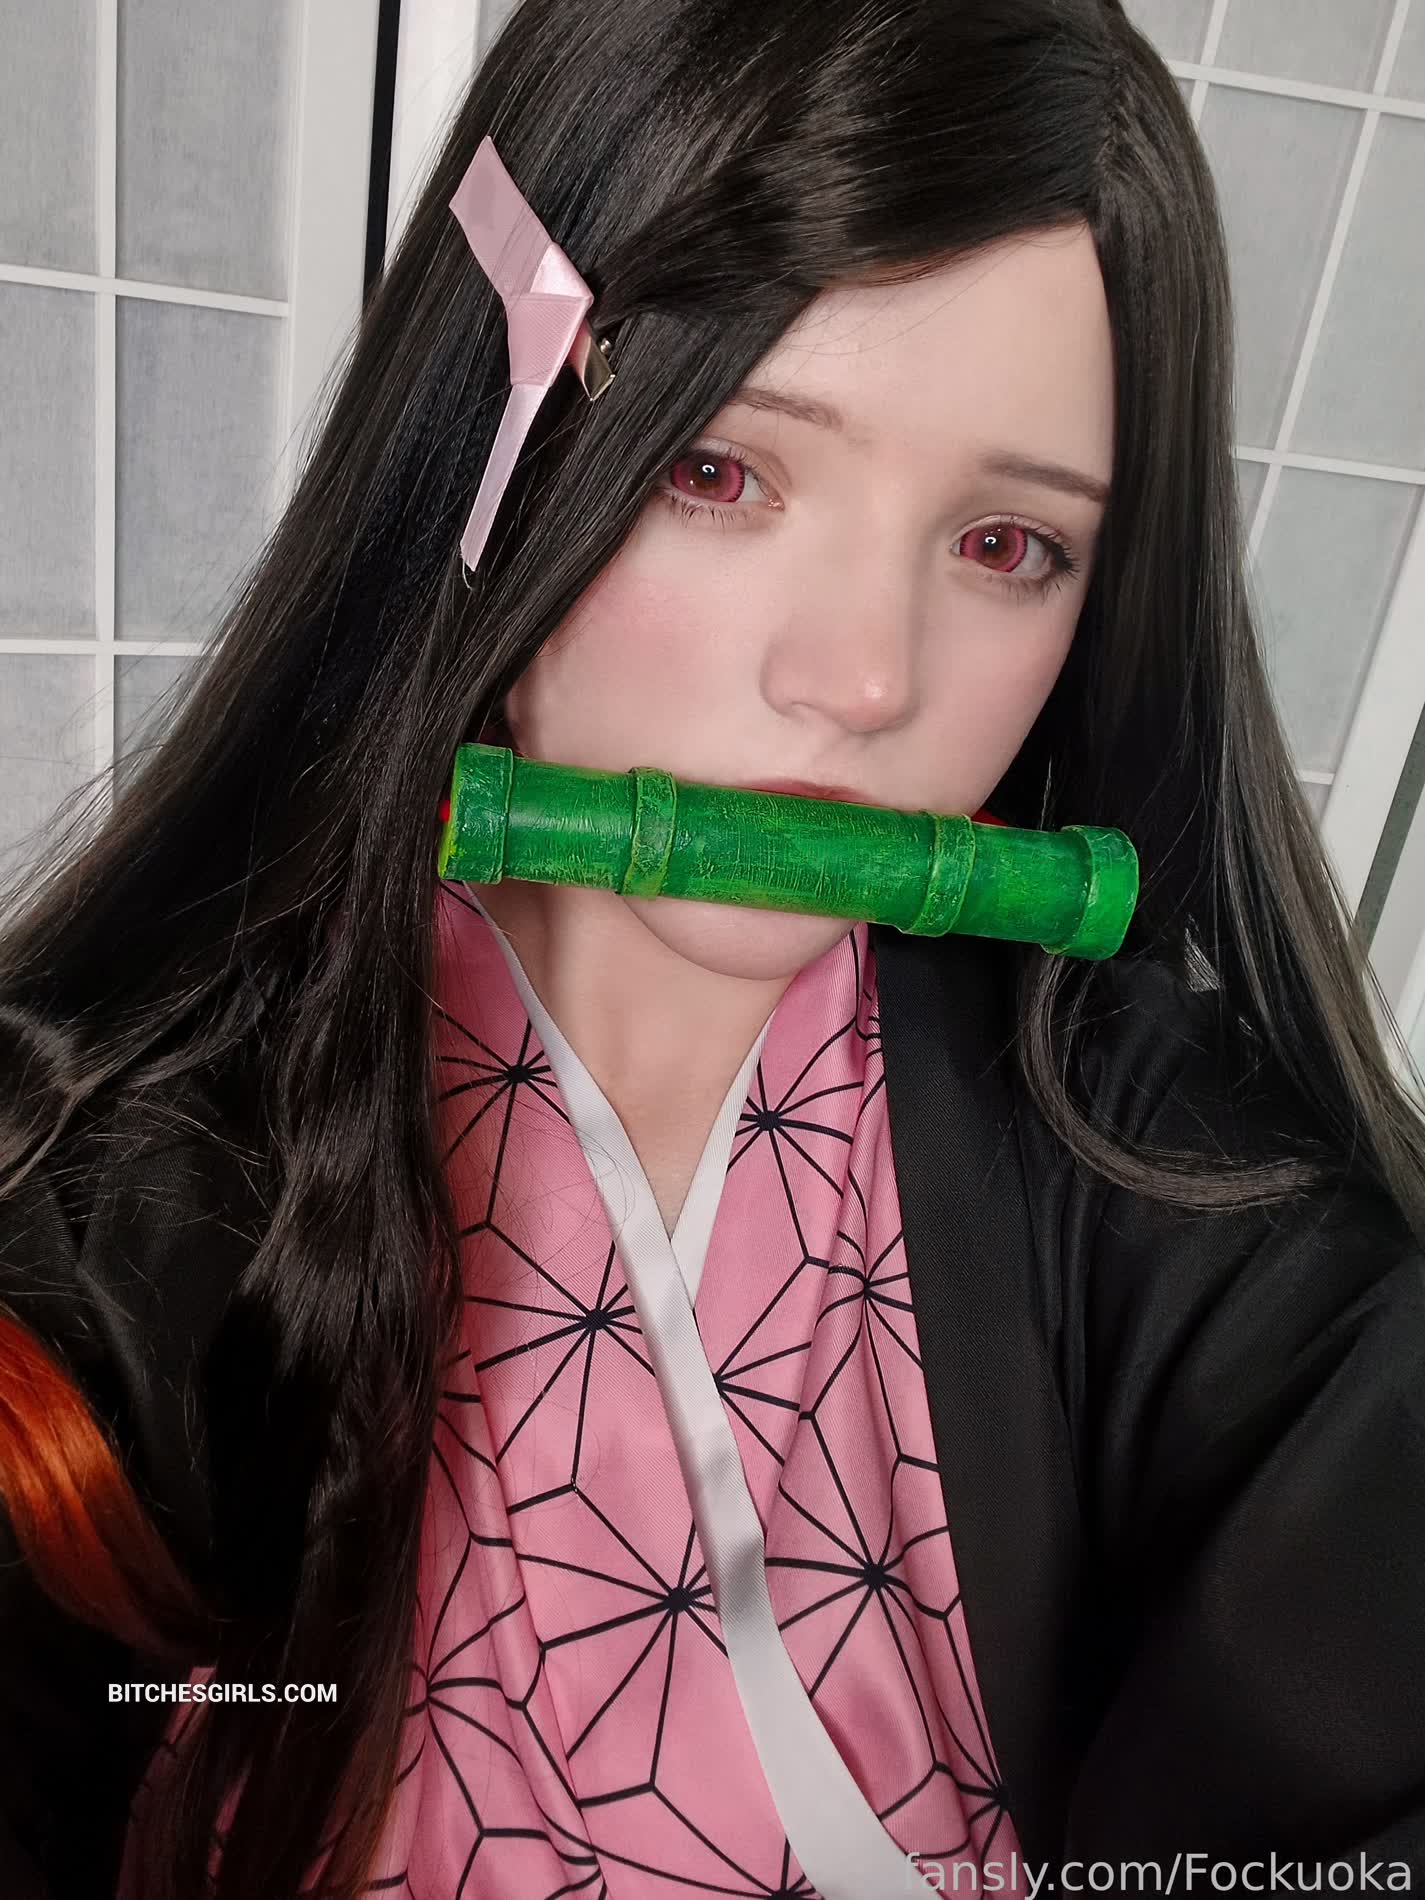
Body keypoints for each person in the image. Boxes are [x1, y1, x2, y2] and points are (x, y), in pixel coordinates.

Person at [1, 0, 1423, 1895]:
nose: (862, 677)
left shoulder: (1143, 1156)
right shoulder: (97, 1207)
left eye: (1005, 545)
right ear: (493, 445)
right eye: (720, 471)